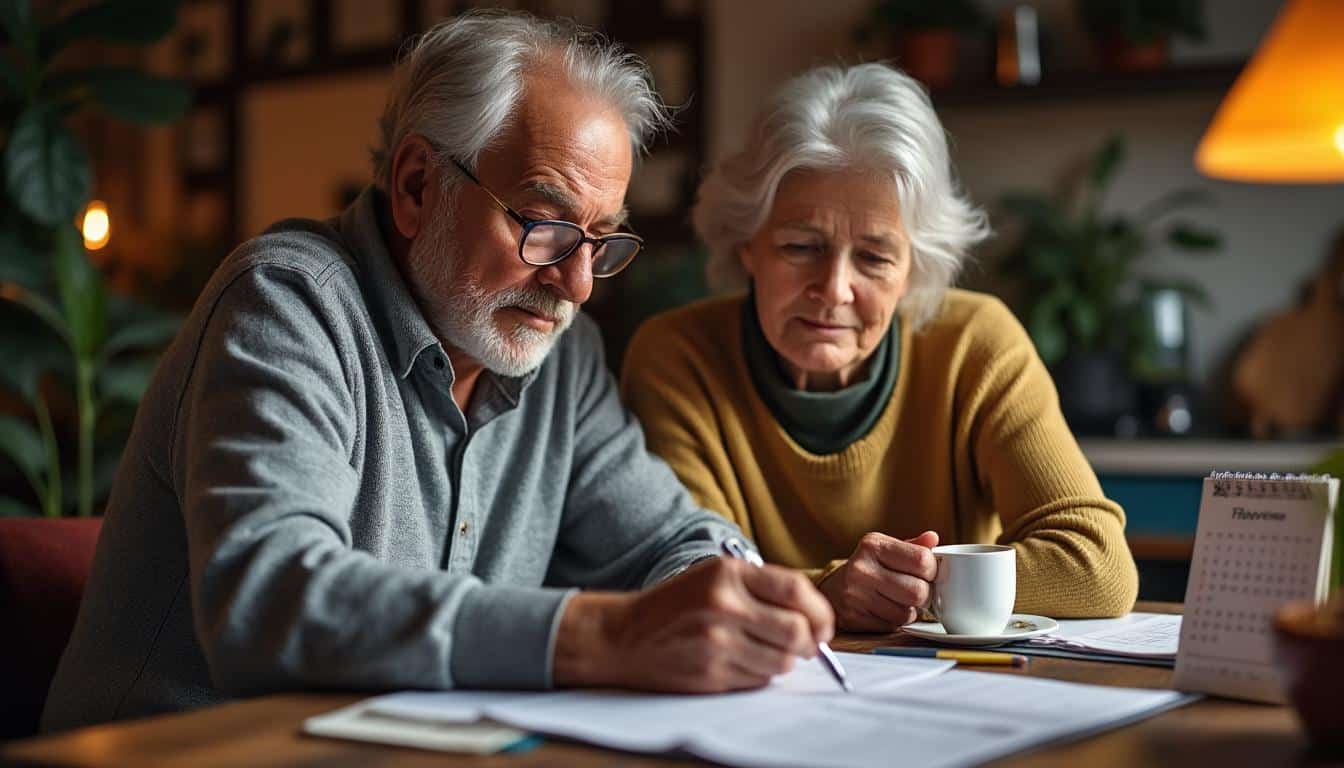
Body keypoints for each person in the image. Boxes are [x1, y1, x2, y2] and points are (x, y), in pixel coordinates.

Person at [42, 11, 834, 732]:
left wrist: (731, 599)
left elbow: (672, 536)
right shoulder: (287, 302)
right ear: (418, 184)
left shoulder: (563, 359)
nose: (577, 282)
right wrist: (609, 631)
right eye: (546, 224)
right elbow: (271, 599)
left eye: (601, 240)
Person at [620, 63, 1138, 633]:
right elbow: (688, 580)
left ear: (914, 266)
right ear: (747, 243)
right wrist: (828, 591)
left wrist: (890, 588)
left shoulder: (976, 345)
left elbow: (1099, 567)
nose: (835, 289)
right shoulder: (677, 359)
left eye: (874, 257)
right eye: (801, 246)